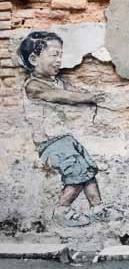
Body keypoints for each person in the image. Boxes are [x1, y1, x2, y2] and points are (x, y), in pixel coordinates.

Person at [19, 31, 116, 227]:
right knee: (77, 173)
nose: (59, 60)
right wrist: (88, 98)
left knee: (88, 169)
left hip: (65, 139)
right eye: (54, 54)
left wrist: (94, 96)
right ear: (34, 58)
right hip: (50, 143)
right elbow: (60, 96)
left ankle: (97, 208)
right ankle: (62, 209)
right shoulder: (34, 86)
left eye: (60, 55)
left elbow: (73, 93)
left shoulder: (57, 81)